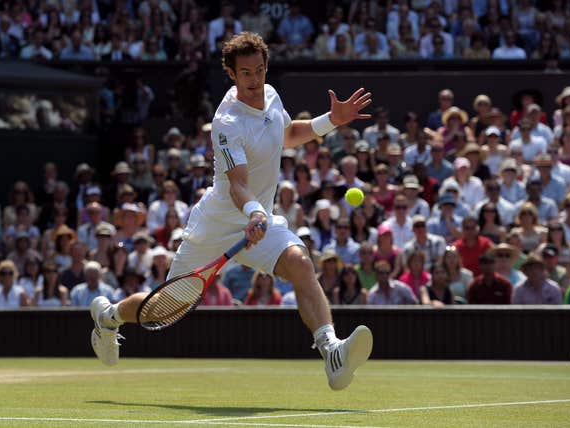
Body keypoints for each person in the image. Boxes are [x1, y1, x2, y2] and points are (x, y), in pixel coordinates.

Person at [89, 32, 374, 390]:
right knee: (164, 307)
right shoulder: (227, 124)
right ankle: (109, 316)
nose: (255, 80)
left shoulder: (270, 95)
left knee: (301, 264)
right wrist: (255, 212)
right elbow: (238, 183)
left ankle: (332, 352)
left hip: (261, 221)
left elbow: (287, 134)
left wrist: (331, 120)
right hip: (218, 224)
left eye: (260, 70)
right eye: (246, 73)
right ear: (231, 74)